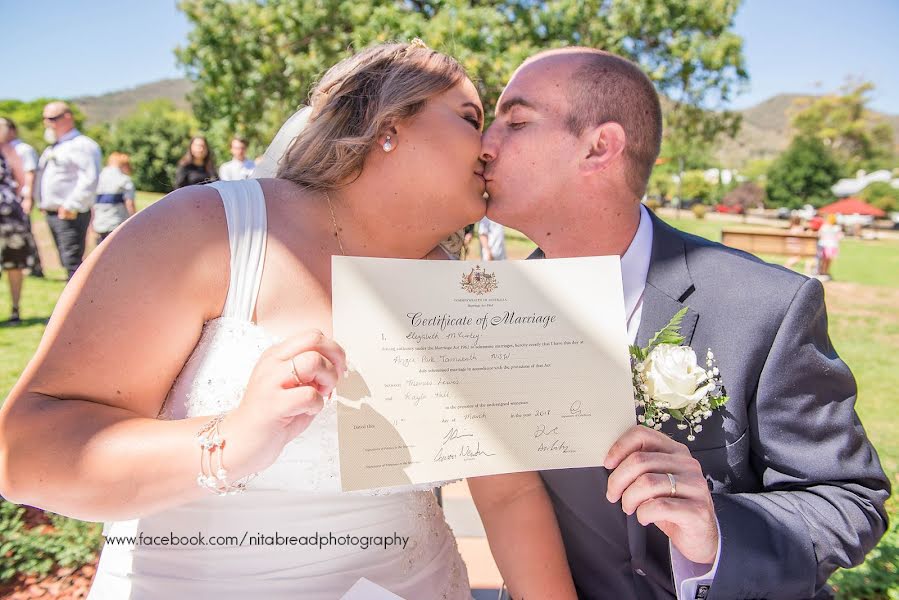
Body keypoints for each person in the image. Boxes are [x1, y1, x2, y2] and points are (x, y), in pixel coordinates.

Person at [0, 42, 576, 600]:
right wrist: (231, 440)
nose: (492, 145)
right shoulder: (208, 230)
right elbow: (22, 454)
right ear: (388, 124)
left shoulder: (469, 294)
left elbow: (508, 496)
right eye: (472, 117)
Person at [479, 47, 888, 599]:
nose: (485, 144)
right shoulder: (483, 321)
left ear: (600, 147)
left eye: (516, 121)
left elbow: (848, 499)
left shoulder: (767, 305)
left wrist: (717, 532)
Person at [36, 101, 101, 280]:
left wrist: (71, 205)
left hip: (70, 213)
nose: (47, 123)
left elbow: (90, 178)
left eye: (52, 119)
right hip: (54, 212)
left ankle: (78, 306)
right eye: (45, 119)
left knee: (73, 264)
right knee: (66, 262)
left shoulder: (81, 145)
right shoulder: (55, 146)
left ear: (68, 117)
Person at [0, 119, 37, 323]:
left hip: (9, 218)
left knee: (14, 264)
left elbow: (22, 181)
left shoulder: (10, 152)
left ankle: (15, 310)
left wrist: (25, 200)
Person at [2, 117, 44, 277]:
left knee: (24, 234)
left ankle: (35, 267)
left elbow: (29, 174)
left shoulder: (22, 149)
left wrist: (27, 197)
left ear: (12, 130)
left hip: (17, 200)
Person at [92, 153, 137, 245]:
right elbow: (129, 204)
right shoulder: (124, 180)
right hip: (117, 224)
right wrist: (135, 221)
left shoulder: (98, 178)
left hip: (99, 224)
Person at [817, 213, 843, 280]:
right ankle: (825, 271)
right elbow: (840, 237)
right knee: (828, 260)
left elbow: (819, 234)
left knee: (823, 260)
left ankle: (822, 271)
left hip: (824, 245)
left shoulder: (824, 227)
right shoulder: (837, 228)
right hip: (832, 245)